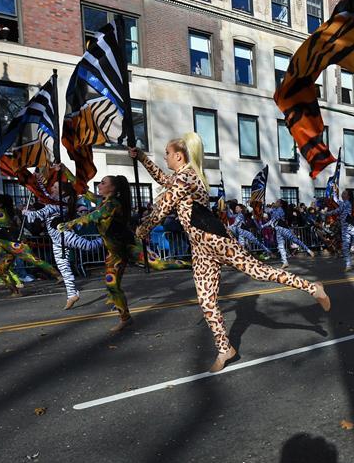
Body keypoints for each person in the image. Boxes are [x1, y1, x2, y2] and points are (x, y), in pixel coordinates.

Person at [131, 134, 329, 373]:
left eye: (166, 153)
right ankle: (225, 348)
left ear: (179, 156)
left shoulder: (187, 177)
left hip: (217, 240)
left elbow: (164, 205)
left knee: (260, 271)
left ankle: (313, 288)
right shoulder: (178, 177)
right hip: (200, 250)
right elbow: (162, 178)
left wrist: (145, 227)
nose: (164, 157)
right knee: (206, 302)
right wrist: (142, 158)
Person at [60, 176, 188, 331]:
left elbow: (96, 216)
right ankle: (125, 318)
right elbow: (83, 189)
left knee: (159, 264)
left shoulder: (113, 204)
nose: (99, 185)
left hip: (129, 246)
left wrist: (71, 223)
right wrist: (64, 172)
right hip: (115, 254)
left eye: (103, 183)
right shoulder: (102, 201)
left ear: (113, 188)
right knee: (112, 285)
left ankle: (193, 264)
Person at [23, 174, 104, 309]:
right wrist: (38, 181)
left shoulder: (61, 205)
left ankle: (107, 238)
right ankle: (72, 294)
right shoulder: (54, 202)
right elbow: (43, 195)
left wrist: (27, 213)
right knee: (63, 268)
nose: (52, 189)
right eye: (53, 187)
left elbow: (40, 213)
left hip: (64, 235)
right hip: (56, 240)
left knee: (89, 245)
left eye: (55, 187)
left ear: (63, 192)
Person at [0, 194, 60, 295]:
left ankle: (59, 276)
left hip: (13, 243)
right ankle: (15, 291)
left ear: (0, 204)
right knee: (0, 268)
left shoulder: (0, 213)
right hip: (3, 245)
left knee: (33, 260)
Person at [264, 199, 315, 268]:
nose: (275, 203)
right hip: (278, 230)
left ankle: (309, 250)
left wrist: (270, 210)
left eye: (277, 202)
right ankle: (285, 262)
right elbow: (269, 215)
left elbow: (274, 218)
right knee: (280, 246)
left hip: (284, 229)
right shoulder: (275, 209)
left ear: (280, 204)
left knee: (295, 240)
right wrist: (262, 205)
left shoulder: (280, 210)